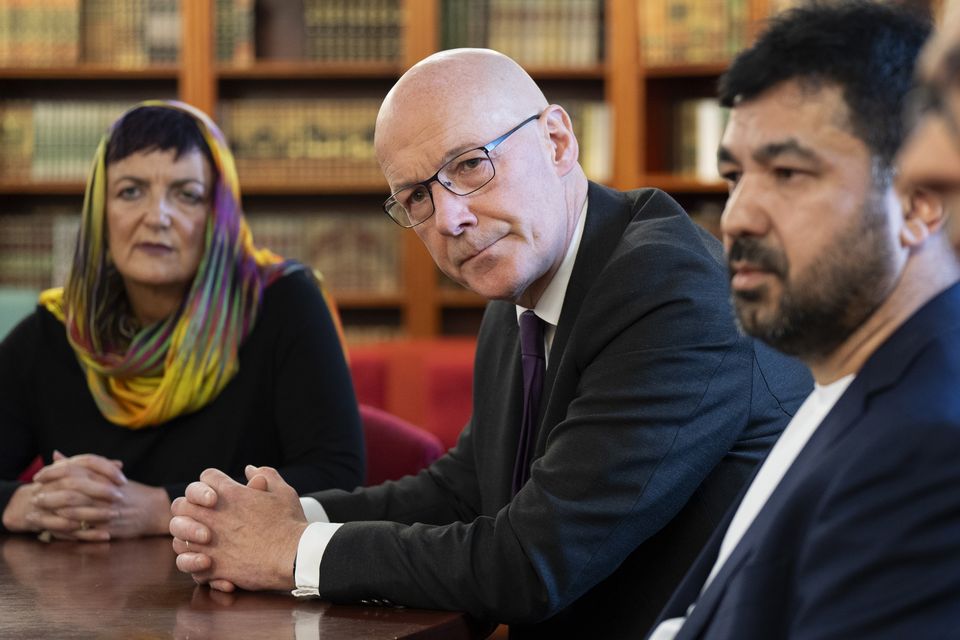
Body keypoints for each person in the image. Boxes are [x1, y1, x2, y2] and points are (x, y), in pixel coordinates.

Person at [169, 50, 812, 638]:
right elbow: (470, 487)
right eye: (417, 197)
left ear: (558, 141)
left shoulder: (670, 291)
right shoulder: (522, 284)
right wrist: (288, 516)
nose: (450, 219)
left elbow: (531, 561)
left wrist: (287, 551)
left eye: (471, 165)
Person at [648, 3, 960, 638]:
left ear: (921, 202)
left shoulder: (925, 448)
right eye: (735, 176)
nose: (736, 216)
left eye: (788, 173)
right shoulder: (846, 390)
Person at [0, 101, 364, 542]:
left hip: (242, 593)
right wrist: (23, 504)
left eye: (186, 195)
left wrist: (162, 507)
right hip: (76, 598)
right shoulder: (57, 330)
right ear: (100, 212)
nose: (157, 217)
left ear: (217, 216)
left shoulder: (283, 303)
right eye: (130, 191)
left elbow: (337, 476)